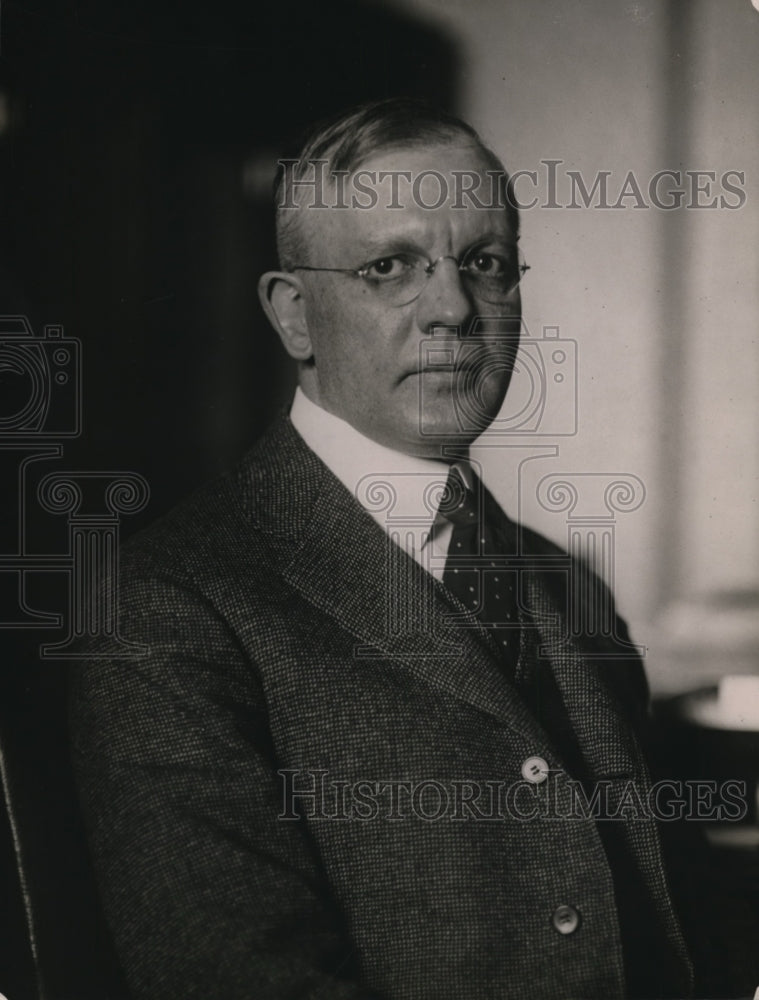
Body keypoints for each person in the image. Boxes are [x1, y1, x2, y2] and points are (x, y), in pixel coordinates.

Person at [68, 99, 730, 1000]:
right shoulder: (165, 609)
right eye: (390, 267)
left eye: (485, 264)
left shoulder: (564, 584)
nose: (454, 309)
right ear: (294, 315)